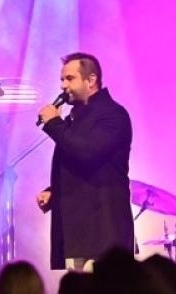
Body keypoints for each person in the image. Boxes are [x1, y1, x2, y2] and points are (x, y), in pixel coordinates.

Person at [36, 52, 134, 270]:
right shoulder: (76, 118)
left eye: (70, 79)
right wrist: (55, 191)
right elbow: (77, 166)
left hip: (104, 234)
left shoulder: (113, 115)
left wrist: (54, 124)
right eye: (62, 79)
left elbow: (88, 153)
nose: (63, 85)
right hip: (79, 233)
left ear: (91, 80)